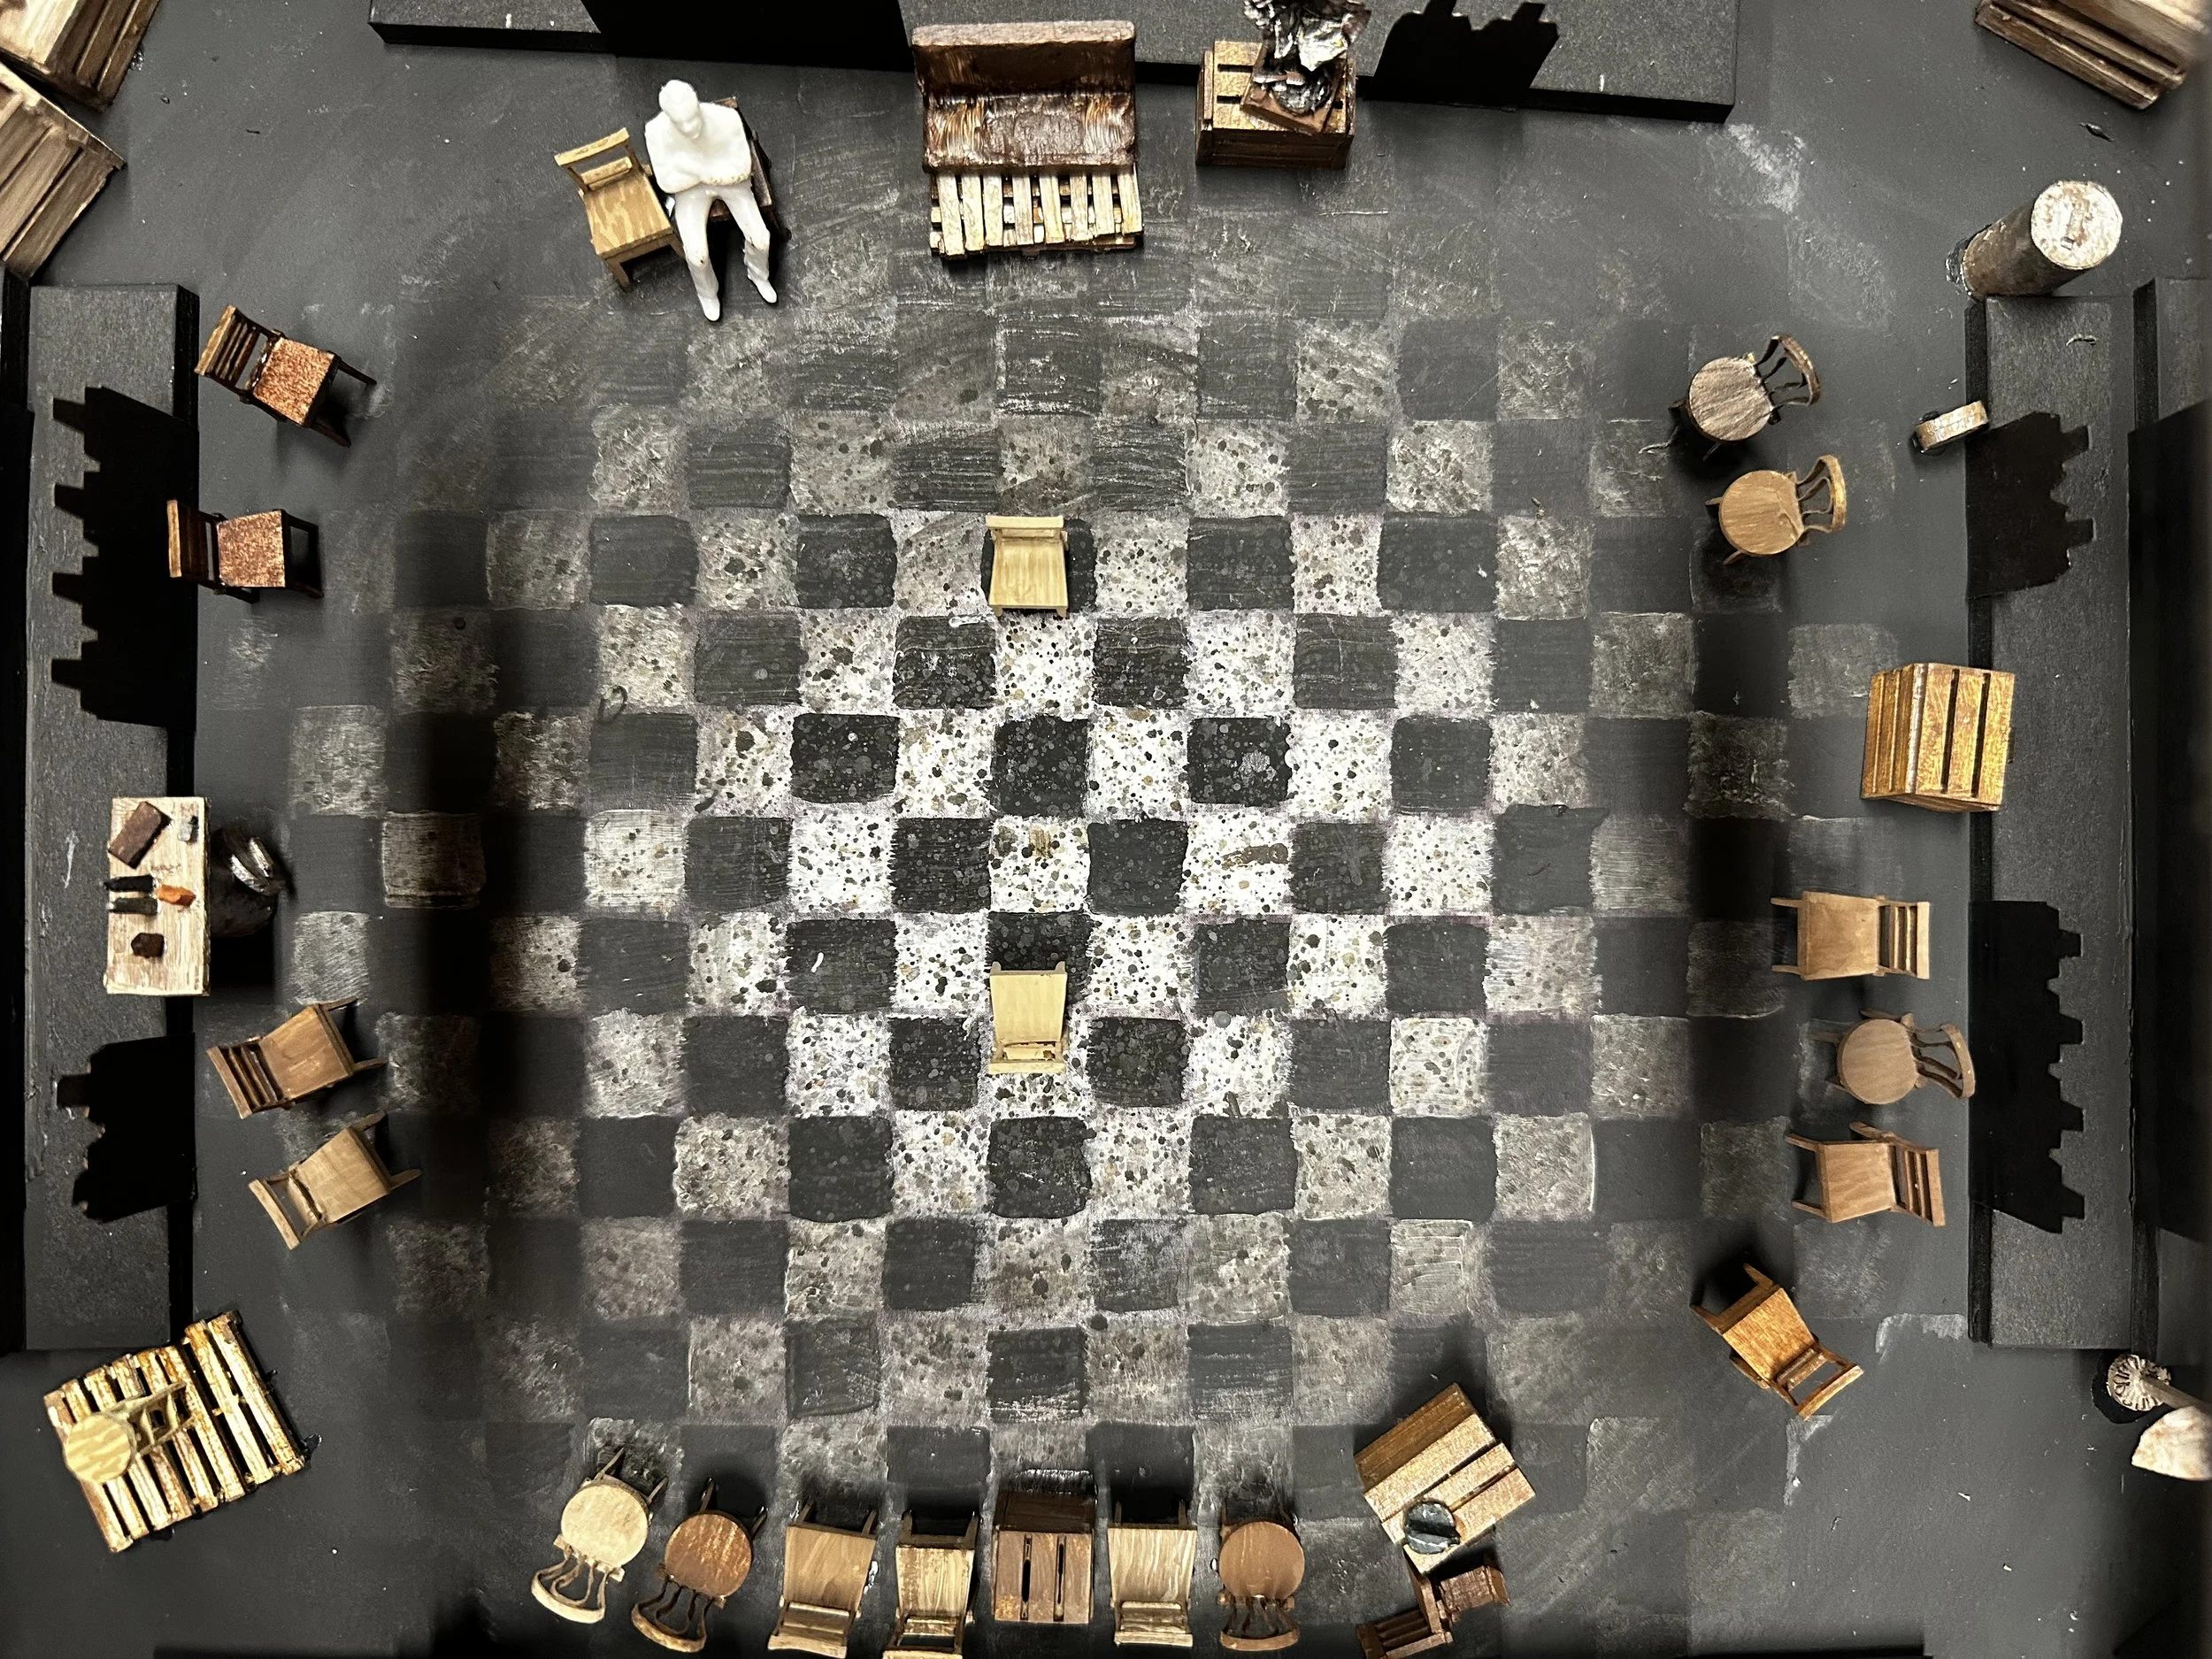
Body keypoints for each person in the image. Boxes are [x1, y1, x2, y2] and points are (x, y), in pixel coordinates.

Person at [643, 79, 776, 319]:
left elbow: (742, 167)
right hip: (689, 191)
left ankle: (759, 274)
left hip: (730, 181)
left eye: (692, 118)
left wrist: (697, 170)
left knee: (761, 239)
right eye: (681, 123)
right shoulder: (655, 131)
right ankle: (707, 293)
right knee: (697, 255)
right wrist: (702, 174)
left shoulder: (727, 119)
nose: (689, 128)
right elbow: (667, 182)